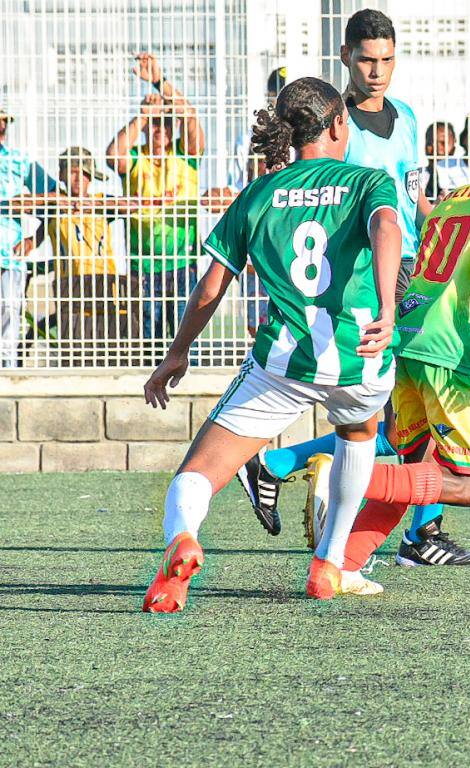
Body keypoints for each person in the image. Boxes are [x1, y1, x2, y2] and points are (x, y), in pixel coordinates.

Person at [237, 10, 470, 568]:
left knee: (413, 403)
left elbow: (411, 199)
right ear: (345, 58)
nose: (377, 72)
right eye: (365, 60)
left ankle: (282, 468)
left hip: (412, 269)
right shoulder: (336, 128)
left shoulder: (406, 117)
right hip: (365, 275)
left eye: (386, 60)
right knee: (400, 404)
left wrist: (442, 242)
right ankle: (410, 530)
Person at [139, 77, 406, 612]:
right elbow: (387, 228)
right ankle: (330, 565)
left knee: (196, 473)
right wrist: (387, 305)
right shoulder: (368, 181)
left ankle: (182, 540)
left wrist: (177, 352)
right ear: (338, 124)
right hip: (362, 357)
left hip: (283, 365)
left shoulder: (259, 193)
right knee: (360, 429)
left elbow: (212, 286)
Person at [301, 114, 470, 575]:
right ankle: (351, 478)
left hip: (410, 341)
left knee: (417, 474)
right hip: (442, 352)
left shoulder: (456, 199)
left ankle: (334, 570)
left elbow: (437, 284)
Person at [105, 52, 205, 345]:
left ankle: (189, 385)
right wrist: (143, 115)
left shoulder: (185, 155)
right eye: (156, 124)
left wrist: (160, 83)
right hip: (143, 264)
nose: (161, 128)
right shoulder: (137, 158)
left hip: (181, 261)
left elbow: (190, 116)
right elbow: (113, 156)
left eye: (166, 122)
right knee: (148, 336)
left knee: (185, 335)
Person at [7, 148, 141, 364]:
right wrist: (51, 201)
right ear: (61, 175)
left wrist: (94, 205)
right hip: (69, 288)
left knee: (106, 346)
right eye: (73, 172)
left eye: (85, 174)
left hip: (104, 286)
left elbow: (134, 205)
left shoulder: (100, 201)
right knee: (75, 350)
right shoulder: (54, 204)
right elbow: (16, 204)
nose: (79, 179)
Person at [230, 67, 288, 337]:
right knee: (257, 323)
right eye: (277, 93)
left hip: (288, 239)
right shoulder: (250, 138)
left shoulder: (305, 141)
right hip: (258, 236)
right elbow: (237, 185)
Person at [0, 106, 56, 367]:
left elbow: (55, 198)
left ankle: (6, 372)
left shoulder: (18, 162)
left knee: (10, 312)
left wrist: (33, 238)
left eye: (3, 122)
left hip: (9, 254)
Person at [419, 121, 470, 202]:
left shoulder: (466, 178)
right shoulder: (419, 176)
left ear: (454, 145)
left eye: (443, 143)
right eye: (430, 144)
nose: (436, 149)